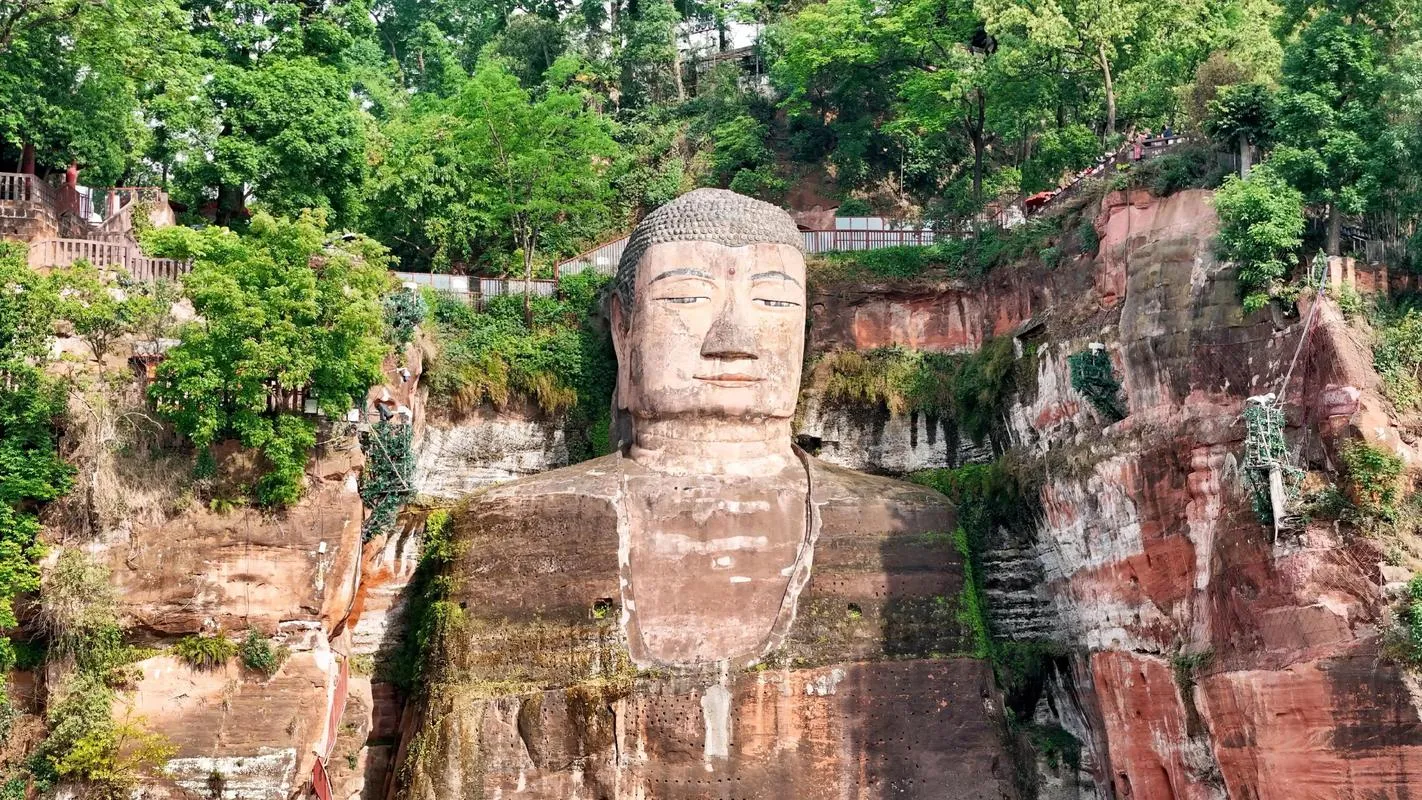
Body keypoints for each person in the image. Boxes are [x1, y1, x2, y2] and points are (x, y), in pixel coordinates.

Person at [401, 189, 1013, 799]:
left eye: (774, 300)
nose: (733, 336)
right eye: (687, 297)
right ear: (623, 326)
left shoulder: (902, 528)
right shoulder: (513, 530)